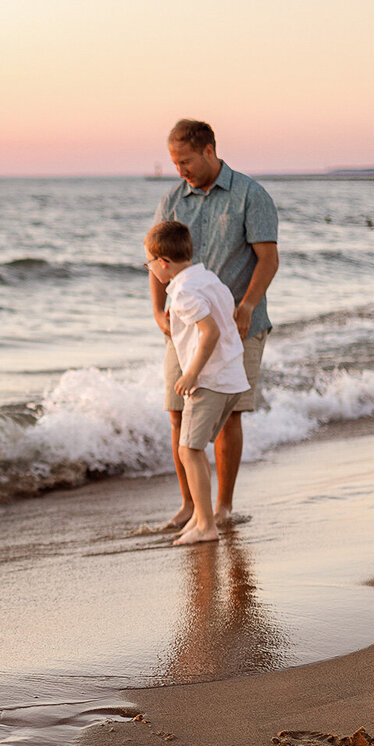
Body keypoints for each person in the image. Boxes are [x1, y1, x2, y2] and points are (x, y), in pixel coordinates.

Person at [151, 118, 279, 527]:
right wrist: (157, 312)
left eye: (185, 161)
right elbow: (157, 260)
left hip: (241, 325)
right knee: (177, 411)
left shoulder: (250, 195)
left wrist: (246, 306)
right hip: (185, 329)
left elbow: (268, 259)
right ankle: (191, 506)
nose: (180, 170)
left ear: (209, 150)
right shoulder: (173, 199)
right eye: (174, 163)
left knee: (229, 414)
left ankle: (222, 507)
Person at [144, 221, 248, 545]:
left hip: (209, 380)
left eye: (149, 262)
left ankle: (205, 526)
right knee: (195, 448)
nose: (149, 269)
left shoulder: (184, 292)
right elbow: (226, 317)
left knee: (188, 449)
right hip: (231, 377)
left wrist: (191, 373)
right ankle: (202, 519)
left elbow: (211, 331)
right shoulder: (208, 279)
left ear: (163, 262)